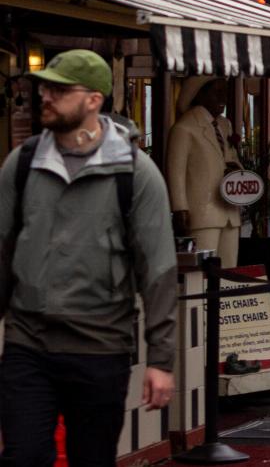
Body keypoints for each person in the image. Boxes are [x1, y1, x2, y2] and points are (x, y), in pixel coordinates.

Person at [0, 50, 179, 465]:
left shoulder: (135, 172)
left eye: (60, 90)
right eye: (45, 87)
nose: (46, 96)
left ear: (94, 100)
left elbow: (158, 269)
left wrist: (161, 361)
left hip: (100, 348)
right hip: (28, 344)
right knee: (23, 456)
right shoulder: (22, 163)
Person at [167, 75, 244, 266]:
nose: (223, 98)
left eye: (224, 92)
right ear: (199, 95)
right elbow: (175, 171)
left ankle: (225, 296)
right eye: (217, 92)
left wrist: (237, 169)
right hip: (201, 212)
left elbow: (232, 158)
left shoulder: (225, 125)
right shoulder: (185, 128)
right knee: (201, 270)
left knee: (229, 268)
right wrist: (180, 209)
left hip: (229, 211)